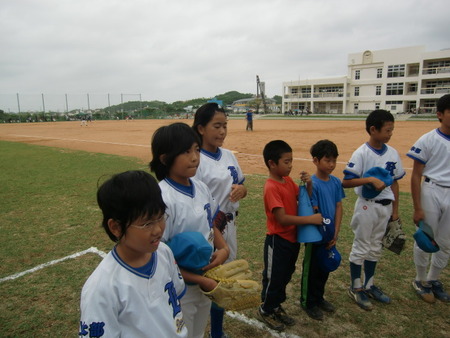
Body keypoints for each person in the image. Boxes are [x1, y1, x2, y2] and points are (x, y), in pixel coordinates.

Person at [79, 170, 187, 337]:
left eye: (160, 217)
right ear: (116, 227)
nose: (158, 230)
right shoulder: (102, 288)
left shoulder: (163, 252)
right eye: (147, 224)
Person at [149, 122, 230, 338]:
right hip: (180, 289)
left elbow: (210, 221)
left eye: (196, 149)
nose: (195, 157)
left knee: (199, 331)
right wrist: (200, 280)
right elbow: (160, 255)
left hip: (206, 280)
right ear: (165, 159)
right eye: (186, 152)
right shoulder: (163, 197)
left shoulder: (201, 187)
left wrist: (223, 248)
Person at [192, 103, 247, 338]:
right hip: (208, 229)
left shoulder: (229, 155)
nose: (222, 131)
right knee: (204, 282)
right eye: (217, 126)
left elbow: (242, 183)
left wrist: (241, 191)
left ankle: (216, 332)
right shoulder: (195, 159)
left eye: (225, 125)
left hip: (230, 226)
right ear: (201, 128)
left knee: (222, 280)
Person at [343, 109, 405, 310]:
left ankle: (369, 284)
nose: (390, 133)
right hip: (366, 206)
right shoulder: (362, 153)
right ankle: (356, 286)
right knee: (361, 245)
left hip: (384, 207)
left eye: (392, 130)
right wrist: (369, 179)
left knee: (375, 247)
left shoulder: (392, 153)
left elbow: (394, 183)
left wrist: (395, 212)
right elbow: (346, 181)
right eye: (387, 130)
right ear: (373, 130)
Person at [259, 140, 323, 331]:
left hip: (291, 240)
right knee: (273, 278)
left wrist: (308, 183)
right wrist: (311, 220)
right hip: (277, 241)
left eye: (291, 161)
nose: (291, 165)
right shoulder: (271, 187)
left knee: (285, 275)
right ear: (272, 163)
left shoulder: (287, 181)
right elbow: (282, 219)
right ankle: (265, 309)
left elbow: (302, 197)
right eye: (286, 162)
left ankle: (276, 305)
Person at [407, 93, 450, 303]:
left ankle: (434, 279)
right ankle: (420, 280)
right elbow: (416, 174)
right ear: (440, 115)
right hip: (432, 190)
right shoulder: (428, 139)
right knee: (426, 238)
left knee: (446, 241)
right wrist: (417, 207)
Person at [300, 140, 345, 320]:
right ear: (316, 161)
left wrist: (336, 231)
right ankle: (307, 301)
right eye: (327, 160)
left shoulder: (335, 182)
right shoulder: (313, 183)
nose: (332, 164)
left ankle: (319, 298)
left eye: (334, 160)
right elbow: (311, 205)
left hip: (330, 234)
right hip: (315, 234)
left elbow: (339, 206)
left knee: (324, 267)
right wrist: (308, 184)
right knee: (312, 269)